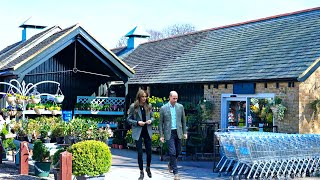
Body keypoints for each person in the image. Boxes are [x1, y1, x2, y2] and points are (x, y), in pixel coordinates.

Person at [159, 91, 187, 180]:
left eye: (176, 98)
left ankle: (171, 164)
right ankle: (176, 173)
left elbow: (183, 121)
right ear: (169, 97)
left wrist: (185, 132)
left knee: (178, 151)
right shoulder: (163, 108)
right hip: (169, 132)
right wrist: (161, 135)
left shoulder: (180, 107)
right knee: (172, 152)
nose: (175, 100)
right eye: (174, 98)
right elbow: (160, 123)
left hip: (178, 131)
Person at [127, 89, 154, 180]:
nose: (144, 98)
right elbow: (128, 119)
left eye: (145, 96)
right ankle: (141, 171)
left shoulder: (149, 106)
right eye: (142, 96)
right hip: (138, 131)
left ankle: (148, 168)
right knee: (140, 153)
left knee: (149, 152)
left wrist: (151, 120)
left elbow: (153, 117)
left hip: (147, 131)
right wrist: (137, 122)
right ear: (139, 97)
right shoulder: (133, 106)